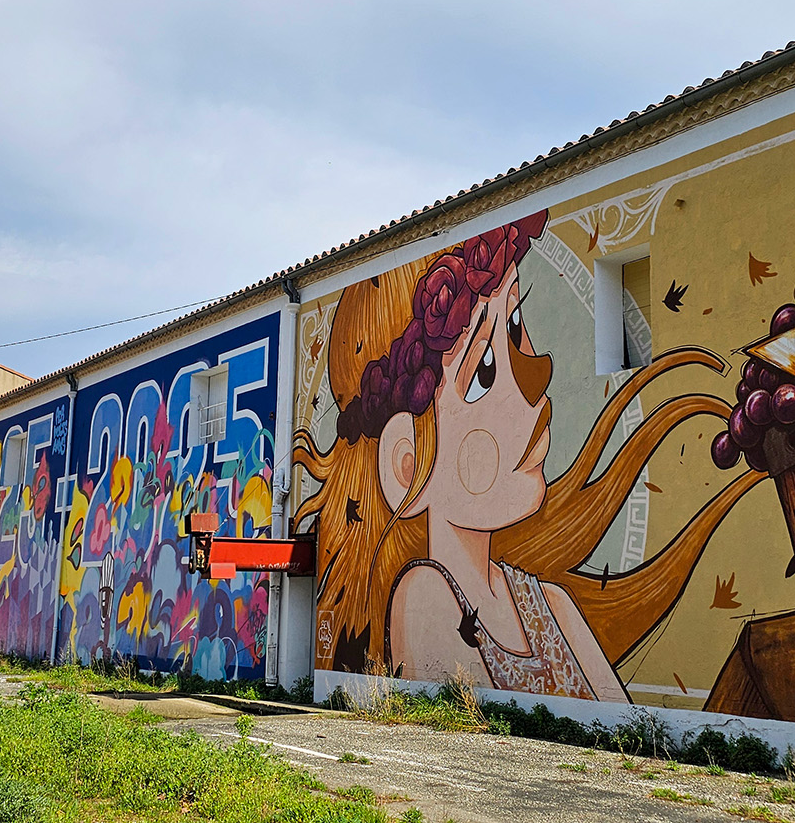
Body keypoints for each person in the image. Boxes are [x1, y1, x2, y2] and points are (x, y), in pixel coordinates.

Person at [294, 212, 762, 699]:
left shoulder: (550, 603)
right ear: (406, 465)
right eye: (484, 368)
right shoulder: (425, 593)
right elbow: (466, 728)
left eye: (515, 325)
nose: (537, 372)